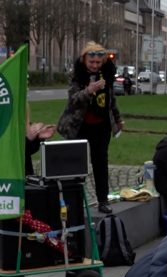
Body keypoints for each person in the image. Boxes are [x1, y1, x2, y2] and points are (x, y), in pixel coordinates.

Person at [57, 41, 124, 214]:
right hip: (80, 126)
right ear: (84, 60)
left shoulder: (106, 75)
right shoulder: (77, 76)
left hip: (101, 127)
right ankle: (75, 202)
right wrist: (88, 91)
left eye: (98, 63)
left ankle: (103, 200)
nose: (94, 66)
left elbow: (111, 101)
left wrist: (117, 118)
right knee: (77, 164)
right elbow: (73, 100)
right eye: (91, 62)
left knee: (100, 162)